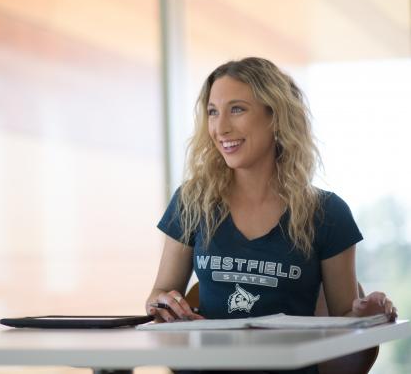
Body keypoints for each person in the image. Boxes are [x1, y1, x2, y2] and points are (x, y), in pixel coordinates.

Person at [145, 57, 397, 374]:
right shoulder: (191, 201)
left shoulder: (329, 214)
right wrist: (163, 304)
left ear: (275, 117)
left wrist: (365, 316)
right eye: (212, 111)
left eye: (236, 109)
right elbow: (159, 293)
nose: (220, 128)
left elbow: (344, 335)